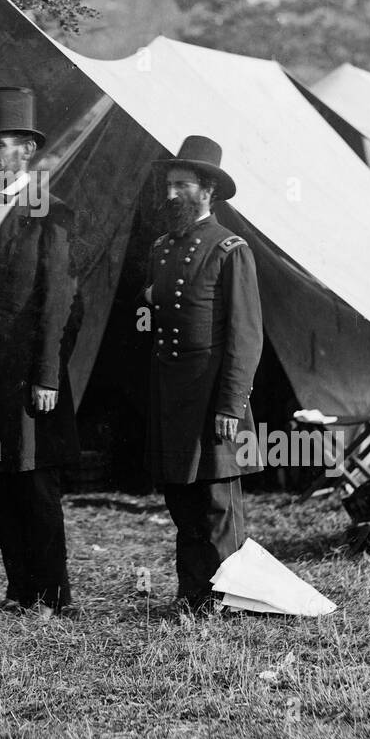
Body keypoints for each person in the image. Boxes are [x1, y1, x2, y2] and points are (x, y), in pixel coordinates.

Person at [0, 87, 83, 618]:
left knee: (34, 487)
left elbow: (58, 304)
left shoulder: (54, 214)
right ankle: (20, 589)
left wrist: (46, 377)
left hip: (31, 379)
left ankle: (53, 596)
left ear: (27, 150)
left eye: (1, 144)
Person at [144, 136, 264, 614]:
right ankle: (194, 595)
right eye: (169, 185)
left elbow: (246, 336)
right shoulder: (161, 247)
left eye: (182, 185)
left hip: (213, 397)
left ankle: (232, 597)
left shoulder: (231, 249)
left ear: (207, 188)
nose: (171, 194)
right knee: (182, 501)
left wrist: (230, 407)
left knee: (218, 505)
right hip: (173, 394)